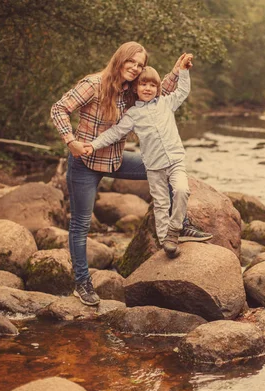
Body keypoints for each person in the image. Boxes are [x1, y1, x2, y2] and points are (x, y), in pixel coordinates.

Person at [51, 42, 211, 306]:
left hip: (115, 160)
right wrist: (70, 141)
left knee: (163, 166)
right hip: (85, 163)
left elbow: (161, 92)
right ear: (120, 60)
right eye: (132, 63)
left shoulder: (130, 90)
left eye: (140, 65)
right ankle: (82, 283)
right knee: (80, 226)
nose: (136, 69)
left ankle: (178, 226)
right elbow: (58, 109)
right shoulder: (93, 84)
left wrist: (177, 70)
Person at [85, 61, 192, 259]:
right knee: (160, 203)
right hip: (153, 166)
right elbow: (115, 133)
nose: (148, 88)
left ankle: (174, 230)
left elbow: (183, 90)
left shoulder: (166, 103)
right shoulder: (133, 114)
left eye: (152, 85)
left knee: (181, 190)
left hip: (176, 160)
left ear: (158, 88)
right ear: (136, 88)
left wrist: (183, 72)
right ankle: (165, 242)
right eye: (143, 84)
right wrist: (93, 145)